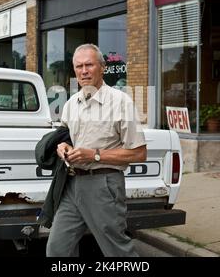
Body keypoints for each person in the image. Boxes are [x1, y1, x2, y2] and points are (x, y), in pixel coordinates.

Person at [46, 44, 147, 257]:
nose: (84, 71)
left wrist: (94, 154)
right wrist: (62, 148)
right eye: (79, 66)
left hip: (104, 186)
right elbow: (64, 139)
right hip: (71, 185)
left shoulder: (121, 102)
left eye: (89, 65)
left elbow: (139, 153)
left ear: (102, 68)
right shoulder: (71, 104)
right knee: (57, 249)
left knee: (116, 250)